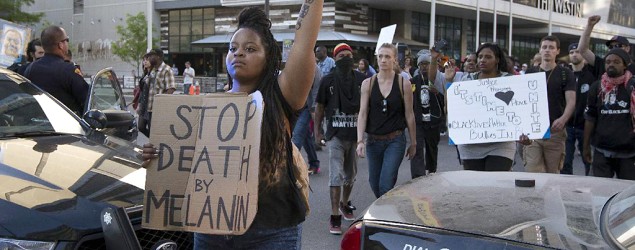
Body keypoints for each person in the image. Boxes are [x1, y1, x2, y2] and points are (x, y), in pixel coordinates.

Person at [143, 3, 322, 249]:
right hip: (210, 229)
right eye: (233, 48)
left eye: (250, 49)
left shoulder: (282, 95)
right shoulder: (207, 105)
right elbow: (188, 162)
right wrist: (160, 156)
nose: (238, 53)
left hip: (272, 231)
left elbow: (304, 42)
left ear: (268, 56)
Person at [442, 43, 517, 171]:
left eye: (488, 57)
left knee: (496, 185)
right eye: (480, 56)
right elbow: (450, 109)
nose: (482, 60)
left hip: (501, 146)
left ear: (497, 60)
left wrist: (527, 136)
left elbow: (519, 110)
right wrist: (449, 82)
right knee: (476, 187)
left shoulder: (510, 81)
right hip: (470, 146)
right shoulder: (466, 81)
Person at [314, 43, 364, 234]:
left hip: (355, 136)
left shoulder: (361, 80)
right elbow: (319, 107)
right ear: (334, 59)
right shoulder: (327, 81)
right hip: (335, 135)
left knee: (350, 177)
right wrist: (317, 132)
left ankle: (344, 203)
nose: (345, 58)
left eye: (348, 55)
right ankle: (335, 216)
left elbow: (366, 107)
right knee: (336, 176)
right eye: (341, 56)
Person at [356, 43, 416, 198]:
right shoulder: (368, 84)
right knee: (374, 183)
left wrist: (413, 143)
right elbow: (362, 113)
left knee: (385, 183)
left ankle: (385, 218)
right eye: (380, 56)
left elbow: (409, 115)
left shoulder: (404, 84)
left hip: (395, 140)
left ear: (395, 59)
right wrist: (360, 141)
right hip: (373, 141)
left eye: (387, 56)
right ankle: (388, 209)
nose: (383, 60)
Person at [520, 35, 576, 174]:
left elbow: (571, 101)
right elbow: (522, 100)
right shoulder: (531, 72)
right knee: (533, 171)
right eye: (544, 47)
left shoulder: (565, 73)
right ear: (540, 50)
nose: (547, 50)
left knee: (552, 174)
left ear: (557, 51)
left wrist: (563, 120)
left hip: (555, 131)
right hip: (533, 131)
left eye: (551, 47)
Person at [583, 48, 635, 180]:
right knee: (600, 193)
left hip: (629, 153)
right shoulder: (597, 87)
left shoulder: (632, 86)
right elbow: (590, 118)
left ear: (625, 65)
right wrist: (585, 146)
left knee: (628, 196)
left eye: (616, 62)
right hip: (602, 151)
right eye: (608, 62)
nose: (611, 64)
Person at [24, 25, 88, 115]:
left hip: (36, 123)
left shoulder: (30, 68)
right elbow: (87, 100)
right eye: (67, 40)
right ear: (60, 45)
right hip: (66, 124)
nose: (67, 43)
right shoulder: (69, 69)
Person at [561, 43, 598, 176]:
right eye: (571, 52)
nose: (574, 54)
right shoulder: (564, 74)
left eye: (577, 51)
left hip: (585, 125)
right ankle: (566, 191)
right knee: (565, 161)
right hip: (568, 124)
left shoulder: (591, 74)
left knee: (588, 161)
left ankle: (590, 188)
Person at [410, 52, 444, 177]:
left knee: (432, 149)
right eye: (422, 64)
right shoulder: (412, 81)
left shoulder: (436, 81)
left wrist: (437, 93)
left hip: (433, 122)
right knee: (417, 149)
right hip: (418, 122)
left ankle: (432, 171)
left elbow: (445, 100)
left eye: (427, 64)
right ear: (418, 66)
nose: (424, 67)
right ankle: (417, 176)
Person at [292, 63, 322, 174]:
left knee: (297, 137)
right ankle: (314, 164)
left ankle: (291, 168)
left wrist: (314, 109)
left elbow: (316, 90)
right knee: (306, 138)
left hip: (307, 108)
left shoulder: (314, 69)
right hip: (295, 107)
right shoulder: (294, 65)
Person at [142, 48, 176, 135]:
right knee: (150, 131)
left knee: (157, 133)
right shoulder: (153, 70)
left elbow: (171, 89)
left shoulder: (167, 70)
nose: (149, 58)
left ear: (158, 57)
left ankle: (158, 147)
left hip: (159, 109)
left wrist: (160, 100)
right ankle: (154, 146)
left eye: (151, 56)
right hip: (149, 108)